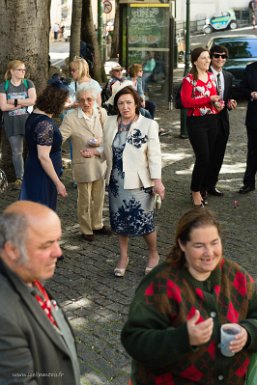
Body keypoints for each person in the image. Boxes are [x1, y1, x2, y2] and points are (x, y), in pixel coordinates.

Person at [121, 208, 257, 385]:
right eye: (199, 246)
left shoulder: (237, 276)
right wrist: (183, 338)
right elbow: (134, 339)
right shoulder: (161, 284)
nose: (209, 253)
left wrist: (248, 333)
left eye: (214, 243)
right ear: (182, 245)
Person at [82, 84, 165, 276]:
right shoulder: (111, 122)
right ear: (116, 105)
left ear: (136, 103)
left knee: (144, 222)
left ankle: (153, 254)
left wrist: (157, 181)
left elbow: (154, 155)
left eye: (128, 102)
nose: (125, 106)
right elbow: (108, 149)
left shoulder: (148, 125)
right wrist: (95, 152)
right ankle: (123, 256)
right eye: (121, 103)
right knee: (119, 222)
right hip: (116, 181)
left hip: (139, 182)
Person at [0, 200, 81, 385]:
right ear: (12, 250)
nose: (58, 253)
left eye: (57, 241)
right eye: (46, 245)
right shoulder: (4, 316)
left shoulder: (25, 272)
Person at [60, 87, 111, 242]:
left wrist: (100, 143)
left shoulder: (101, 113)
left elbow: (109, 136)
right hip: (83, 164)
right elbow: (59, 137)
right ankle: (86, 228)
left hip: (100, 161)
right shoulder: (71, 118)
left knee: (99, 196)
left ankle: (97, 224)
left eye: (89, 99)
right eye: (82, 100)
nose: (86, 103)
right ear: (77, 101)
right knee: (84, 199)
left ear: (95, 99)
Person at [180, 47, 223, 207]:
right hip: (196, 122)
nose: (208, 60)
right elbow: (186, 102)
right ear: (195, 61)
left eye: (208, 58)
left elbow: (216, 96)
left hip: (213, 120)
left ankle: (203, 188)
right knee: (203, 156)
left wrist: (220, 103)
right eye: (203, 58)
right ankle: (195, 190)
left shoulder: (211, 77)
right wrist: (208, 99)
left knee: (209, 156)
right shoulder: (189, 80)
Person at [19, 79, 69, 211]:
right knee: (41, 210)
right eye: (64, 102)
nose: (65, 105)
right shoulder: (45, 124)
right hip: (42, 174)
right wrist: (58, 183)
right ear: (57, 103)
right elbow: (44, 157)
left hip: (34, 168)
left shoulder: (35, 114)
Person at [205, 45, 237, 198]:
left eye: (224, 56)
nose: (220, 59)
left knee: (218, 156)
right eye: (217, 56)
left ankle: (211, 185)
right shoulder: (203, 75)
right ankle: (200, 188)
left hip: (222, 122)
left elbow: (228, 96)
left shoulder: (228, 76)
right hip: (206, 121)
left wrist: (230, 102)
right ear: (211, 57)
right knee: (205, 156)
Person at [0, 60, 37, 189]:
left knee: (34, 150)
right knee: (17, 152)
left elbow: (33, 100)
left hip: (30, 123)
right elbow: (3, 106)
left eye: (24, 70)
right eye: (20, 70)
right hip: (12, 124)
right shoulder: (4, 86)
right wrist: (23, 103)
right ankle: (20, 178)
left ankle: (35, 176)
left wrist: (14, 101)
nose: (23, 72)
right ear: (12, 71)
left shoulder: (28, 84)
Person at [238, 60, 257, 194]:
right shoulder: (250, 68)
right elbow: (242, 88)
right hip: (254, 119)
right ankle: (249, 183)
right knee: (253, 152)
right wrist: (251, 94)